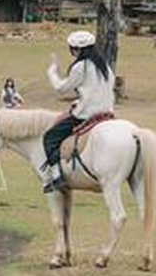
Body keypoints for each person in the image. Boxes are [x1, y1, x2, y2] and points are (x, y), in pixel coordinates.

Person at [41, 30, 116, 193]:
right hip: (108, 113)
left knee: (50, 137)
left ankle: (56, 176)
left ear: (77, 49)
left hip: (87, 115)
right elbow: (100, 90)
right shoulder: (105, 66)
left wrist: (52, 71)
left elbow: (61, 88)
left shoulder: (80, 67)